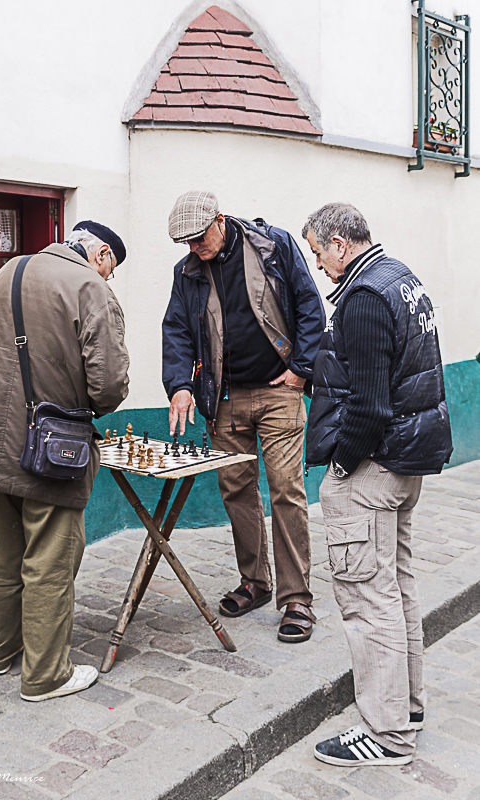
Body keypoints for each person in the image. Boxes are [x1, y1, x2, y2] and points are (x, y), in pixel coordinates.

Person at [302, 203, 452, 765]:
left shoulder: (364, 296)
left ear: (341, 243)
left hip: (373, 468)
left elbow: (368, 404)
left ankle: (386, 733)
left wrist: (341, 464)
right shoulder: (401, 278)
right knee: (397, 589)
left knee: (368, 599)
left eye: (318, 251)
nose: (317, 263)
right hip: (404, 463)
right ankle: (406, 708)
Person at [0, 221, 130, 701]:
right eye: (111, 268)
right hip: (50, 447)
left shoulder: (6, 271)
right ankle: (45, 675)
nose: (109, 277)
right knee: (50, 559)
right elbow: (109, 386)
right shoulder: (89, 288)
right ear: (99, 254)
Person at [163, 190, 325, 642]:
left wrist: (300, 370)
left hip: (280, 390)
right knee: (235, 488)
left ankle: (296, 599)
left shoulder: (273, 245)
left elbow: (310, 306)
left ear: (219, 220)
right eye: (186, 244)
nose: (194, 248)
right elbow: (176, 328)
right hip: (225, 396)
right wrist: (179, 385)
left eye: (198, 238)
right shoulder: (188, 271)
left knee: (286, 490)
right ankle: (255, 581)